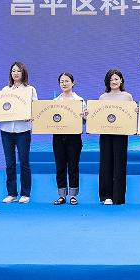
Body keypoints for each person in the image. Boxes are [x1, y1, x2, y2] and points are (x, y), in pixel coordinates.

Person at [0, 62, 38, 204]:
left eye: (18, 71)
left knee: (24, 162)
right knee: (9, 163)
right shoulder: (5, 90)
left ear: (23, 73)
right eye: (13, 71)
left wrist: (30, 115)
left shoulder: (30, 90)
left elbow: (35, 108)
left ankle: (25, 193)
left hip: (23, 130)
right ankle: (12, 193)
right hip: (6, 130)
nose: (15, 73)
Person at [98, 69, 133, 205]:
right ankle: (107, 196)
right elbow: (99, 116)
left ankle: (119, 196)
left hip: (121, 134)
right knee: (105, 163)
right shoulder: (103, 97)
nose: (113, 82)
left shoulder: (127, 97)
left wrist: (135, 111)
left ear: (121, 80)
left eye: (116, 79)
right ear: (107, 82)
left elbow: (130, 116)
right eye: (111, 79)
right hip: (105, 134)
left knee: (120, 164)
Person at [53, 72, 86, 206]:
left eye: (67, 81)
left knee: (73, 166)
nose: (64, 83)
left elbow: (85, 121)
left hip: (74, 137)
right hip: (58, 137)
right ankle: (62, 196)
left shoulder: (79, 101)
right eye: (62, 81)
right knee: (60, 167)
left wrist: (84, 117)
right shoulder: (55, 102)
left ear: (73, 83)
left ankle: (73, 195)